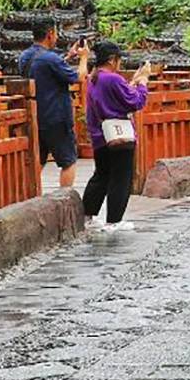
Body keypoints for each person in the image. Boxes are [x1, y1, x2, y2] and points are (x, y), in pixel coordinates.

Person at [82, 41, 151, 230]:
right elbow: (135, 102)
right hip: (119, 135)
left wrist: (133, 82)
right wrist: (143, 82)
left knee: (101, 175)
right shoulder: (112, 79)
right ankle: (114, 221)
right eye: (119, 60)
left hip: (100, 135)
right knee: (121, 177)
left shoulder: (94, 78)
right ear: (112, 60)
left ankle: (87, 217)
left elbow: (115, 97)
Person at [19, 21, 89, 189]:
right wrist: (84, 57)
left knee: (37, 160)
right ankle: (64, 197)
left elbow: (44, 69)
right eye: (56, 34)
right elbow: (79, 77)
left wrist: (68, 57)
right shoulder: (50, 58)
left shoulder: (24, 56)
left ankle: (29, 195)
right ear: (50, 34)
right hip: (56, 117)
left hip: (35, 116)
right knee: (68, 161)